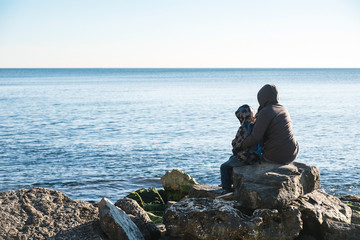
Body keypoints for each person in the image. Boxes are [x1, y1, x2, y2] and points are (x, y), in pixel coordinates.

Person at [237, 84, 299, 164]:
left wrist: (241, 145)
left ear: (262, 98)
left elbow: (255, 137)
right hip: (293, 154)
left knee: (228, 165)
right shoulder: (283, 109)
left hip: (275, 157)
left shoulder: (265, 112)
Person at [220, 104, 262, 193]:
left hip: (247, 157)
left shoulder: (243, 128)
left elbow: (237, 145)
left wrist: (233, 143)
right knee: (231, 159)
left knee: (224, 167)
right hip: (256, 155)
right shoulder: (256, 125)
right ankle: (229, 182)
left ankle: (226, 189)